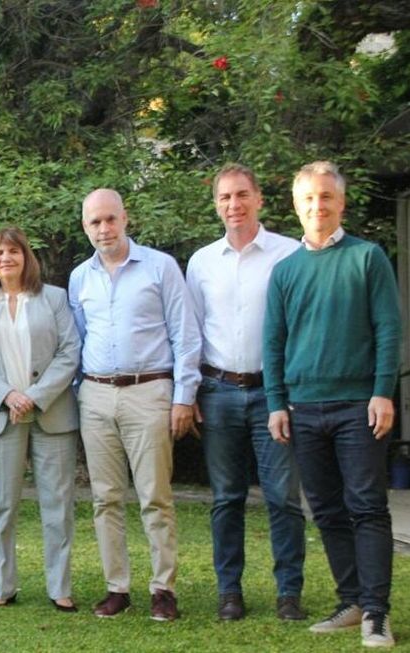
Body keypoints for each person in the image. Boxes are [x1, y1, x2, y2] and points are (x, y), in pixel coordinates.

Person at [264, 161, 401, 648]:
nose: (316, 206)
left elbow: (388, 329)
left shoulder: (368, 258)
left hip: (358, 407)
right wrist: (277, 402)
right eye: (308, 199)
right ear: (296, 206)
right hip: (303, 409)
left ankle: (377, 613)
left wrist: (383, 391)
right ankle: (352, 600)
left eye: (326, 197)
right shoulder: (285, 271)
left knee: (367, 507)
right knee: (325, 509)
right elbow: (273, 342)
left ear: (341, 203)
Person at [68, 189, 201, 622]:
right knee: (105, 498)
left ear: (125, 218)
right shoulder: (80, 277)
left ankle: (163, 588)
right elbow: (78, 340)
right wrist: (77, 394)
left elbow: (185, 336)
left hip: (149, 392)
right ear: (85, 226)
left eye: (110, 219)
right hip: (96, 394)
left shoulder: (160, 267)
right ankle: (116, 587)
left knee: (154, 497)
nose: (103, 229)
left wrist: (184, 397)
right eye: (94, 222)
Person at [185, 163, 306, 621]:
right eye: (224, 198)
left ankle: (288, 592)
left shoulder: (289, 255)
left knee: (282, 497)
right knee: (226, 498)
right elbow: (191, 332)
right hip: (217, 391)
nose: (233, 205)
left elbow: (299, 330)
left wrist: (291, 393)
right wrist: (192, 392)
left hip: (274, 395)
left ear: (258, 199)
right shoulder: (201, 262)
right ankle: (229, 592)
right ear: (216, 204)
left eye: (241, 195)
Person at [0, 227, 80, 611]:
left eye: (13, 251)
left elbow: (69, 352)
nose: (6, 258)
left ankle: (59, 588)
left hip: (51, 413)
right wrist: (6, 395)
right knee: (2, 506)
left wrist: (33, 396)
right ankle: (3, 586)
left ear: (27, 257)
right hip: (0, 416)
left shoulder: (55, 298)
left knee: (57, 503)